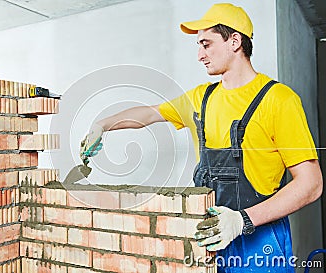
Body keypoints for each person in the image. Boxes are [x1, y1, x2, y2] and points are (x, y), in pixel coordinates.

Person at [80, 3, 323, 272]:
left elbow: (311, 185)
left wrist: (241, 221)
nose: (199, 55)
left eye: (206, 44)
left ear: (234, 41)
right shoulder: (201, 99)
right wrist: (102, 124)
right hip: (210, 238)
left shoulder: (278, 100)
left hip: (262, 243)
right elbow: (148, 115)